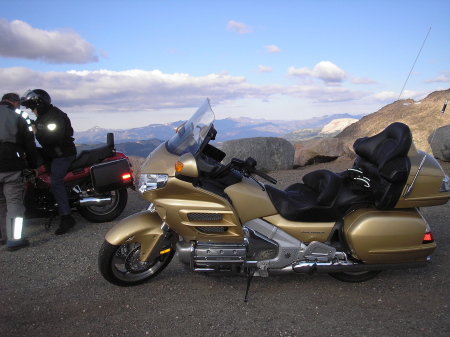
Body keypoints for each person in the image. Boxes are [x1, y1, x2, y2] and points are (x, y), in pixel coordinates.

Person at [21, 89, 77, 235]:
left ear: (40, 105)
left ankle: (66, 217)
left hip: (63, 156)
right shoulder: (44, 116)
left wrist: (36, 132)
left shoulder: (56, 116)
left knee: (55, 181)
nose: (32, 111)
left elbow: (54, 138)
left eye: (33, 107)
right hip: (52, 155)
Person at [0, 92, 38, 251]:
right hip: (11, 164)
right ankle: (15, 239)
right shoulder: (17, 116)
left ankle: (3, 236)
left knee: (1, 203)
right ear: (15, 103)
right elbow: (29, 143)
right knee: (14, 203)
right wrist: (33, 165)